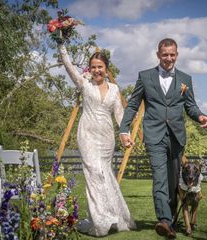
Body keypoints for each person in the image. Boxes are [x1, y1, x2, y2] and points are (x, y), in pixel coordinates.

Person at [119, 38, 207, 239]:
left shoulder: (185, 79)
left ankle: (170, 221)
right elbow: (133, 105)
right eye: (165, 54)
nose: (169, 58)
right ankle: (164, 220)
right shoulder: (145, 77)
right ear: (158, 55)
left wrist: (199, 116)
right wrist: (124, 130)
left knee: (173, 182)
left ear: (177, 55)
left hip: (177, 137)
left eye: (172, 54)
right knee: (159, 178)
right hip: (154, 135)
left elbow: (191, 106)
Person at [58, 44, 136, 236]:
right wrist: (61, 46)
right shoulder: (84, 84)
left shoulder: (114, 89)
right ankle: (102, 222)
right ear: (89, 69)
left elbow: (119, 114)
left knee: (105, 175)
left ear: (106, 68)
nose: (97, 70)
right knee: (93, 174)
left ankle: (116, 218)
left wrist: (125, 135)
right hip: (87, 135)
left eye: (100, 66)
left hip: (107, 138)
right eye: (93, 67)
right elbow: (69, 67)